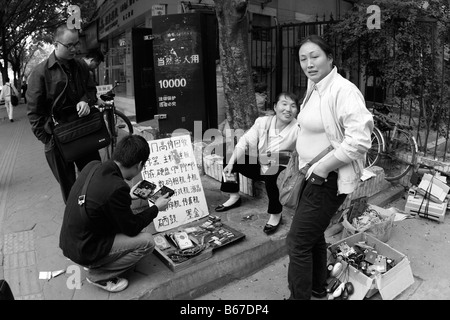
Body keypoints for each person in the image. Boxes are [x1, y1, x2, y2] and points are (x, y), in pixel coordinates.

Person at [286, 35, 374, 300]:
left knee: (297, 243)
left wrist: (323, 168)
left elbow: (359, 140)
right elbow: (307, 127)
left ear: (330, 58)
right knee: (312, 236)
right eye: (303, 59)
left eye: (315, 56)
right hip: (309, 176)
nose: (309, 63)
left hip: (328, 180)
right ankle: (317, 287)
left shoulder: (343, 90)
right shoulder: (314, 87)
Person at [59, 134, 171, 293]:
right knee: (146, 241)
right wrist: (156, 209)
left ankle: (94, 262)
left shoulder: (94, 165)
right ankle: (99, 274)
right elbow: (131, 228)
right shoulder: (117, 187)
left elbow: (102, 198)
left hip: (71, 241)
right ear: (139, 165)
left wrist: (127, 196)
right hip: (85, 248)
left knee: (128, 225)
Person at [26, 23, 100, 203]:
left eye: (77, 44)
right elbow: (34, 112)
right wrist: (47, 139)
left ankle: (98, 213)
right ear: (55, 44)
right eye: (70, 45)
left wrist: (85, 100)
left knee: (95, 177)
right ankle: (77, 223)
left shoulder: (81, 66)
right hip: (58, 139)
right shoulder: (40, 73)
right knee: (70, 188)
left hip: (84, 131)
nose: (75, 49)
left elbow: (91, 91)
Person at [214, 92, 300, 235]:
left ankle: (276, 214)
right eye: (284, 104)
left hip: (282, 169)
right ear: (275, 106)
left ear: (297, 110)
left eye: (293, 106)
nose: (288, 109)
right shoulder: (263, 122)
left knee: (272, 173)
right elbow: (244, 142)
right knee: (231, 158)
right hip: (262, 164)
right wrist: (230, 163)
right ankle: (234, 197)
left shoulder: (298, 128)